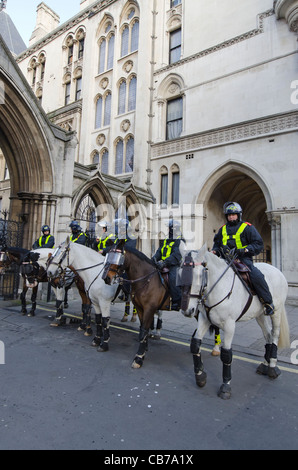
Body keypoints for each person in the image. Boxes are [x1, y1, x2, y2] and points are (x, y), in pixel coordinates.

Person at [212, 201, 275, 315]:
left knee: (256, 276)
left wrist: (245, 249)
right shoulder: (222, 229)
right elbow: (217, 243)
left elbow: (258, 243)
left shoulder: (247, 228)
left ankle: (268, 302)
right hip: (225, 259)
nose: (231, 217)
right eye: (229, 215)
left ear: (238, 215)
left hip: (243, 259)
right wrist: (215, 251)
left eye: (233, 215)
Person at [152, 219, 184, 311]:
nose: (169, 230)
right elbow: (159, 251)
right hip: (162, 264)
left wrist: (165, 262)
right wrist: (154, 259)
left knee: (173, 278)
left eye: (170, 228)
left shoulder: (180, 240)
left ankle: (177, 301)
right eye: (169, 228)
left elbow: (176, 255)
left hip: (174, 265)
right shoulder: (166, 240)